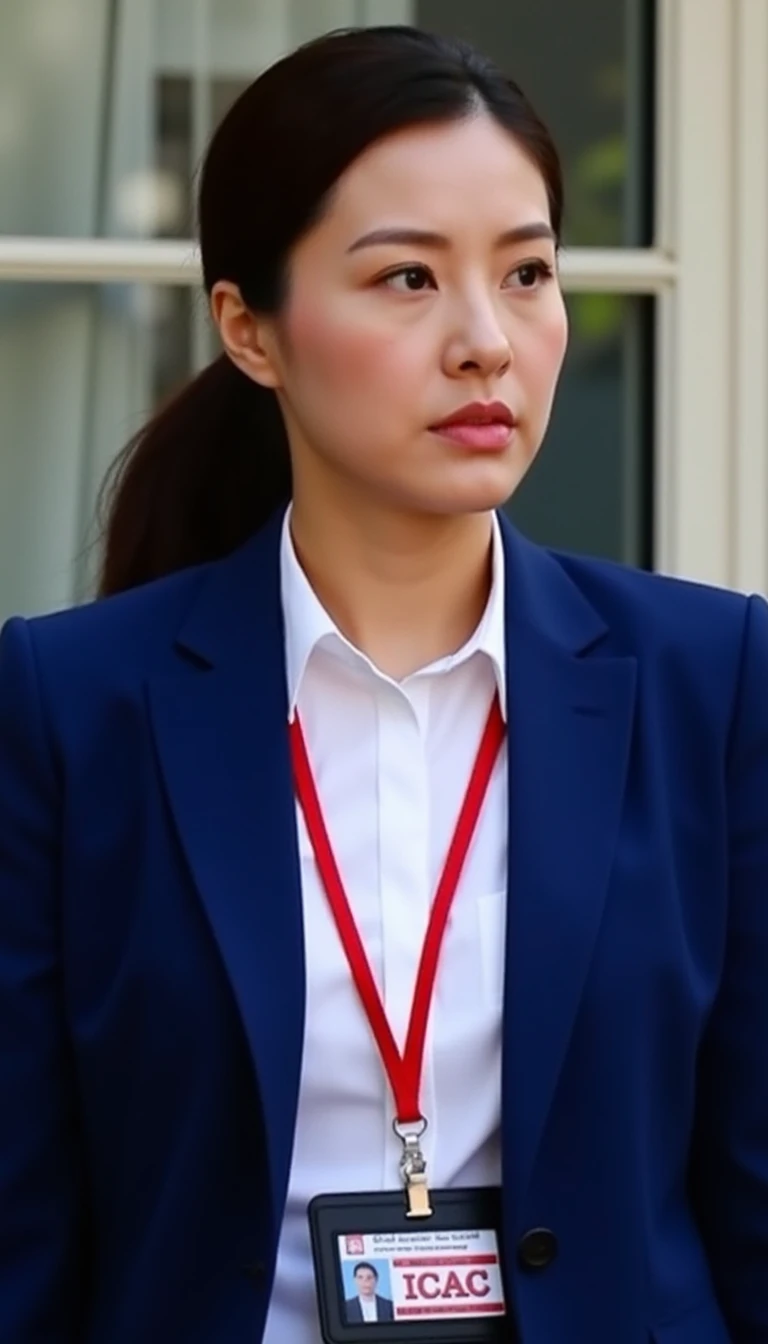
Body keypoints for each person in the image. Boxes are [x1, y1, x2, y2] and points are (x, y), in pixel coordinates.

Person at [0, 22, 766, 1344]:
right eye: (408, 278)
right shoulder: (70, 708)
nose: (487, 341)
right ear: (250, 330)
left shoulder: (714, 683)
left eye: (527, 272)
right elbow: (24, 1229)